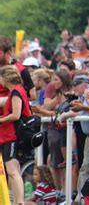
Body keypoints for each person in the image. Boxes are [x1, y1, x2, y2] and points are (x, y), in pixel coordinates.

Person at [0, 65, 26, 204]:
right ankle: (17, 201)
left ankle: (20, 201)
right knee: (13, 170)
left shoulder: (16, 92)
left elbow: (15, 115)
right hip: (10, 135)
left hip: (12, 135)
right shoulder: (15, 91)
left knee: (12, 171)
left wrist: (1, 120)